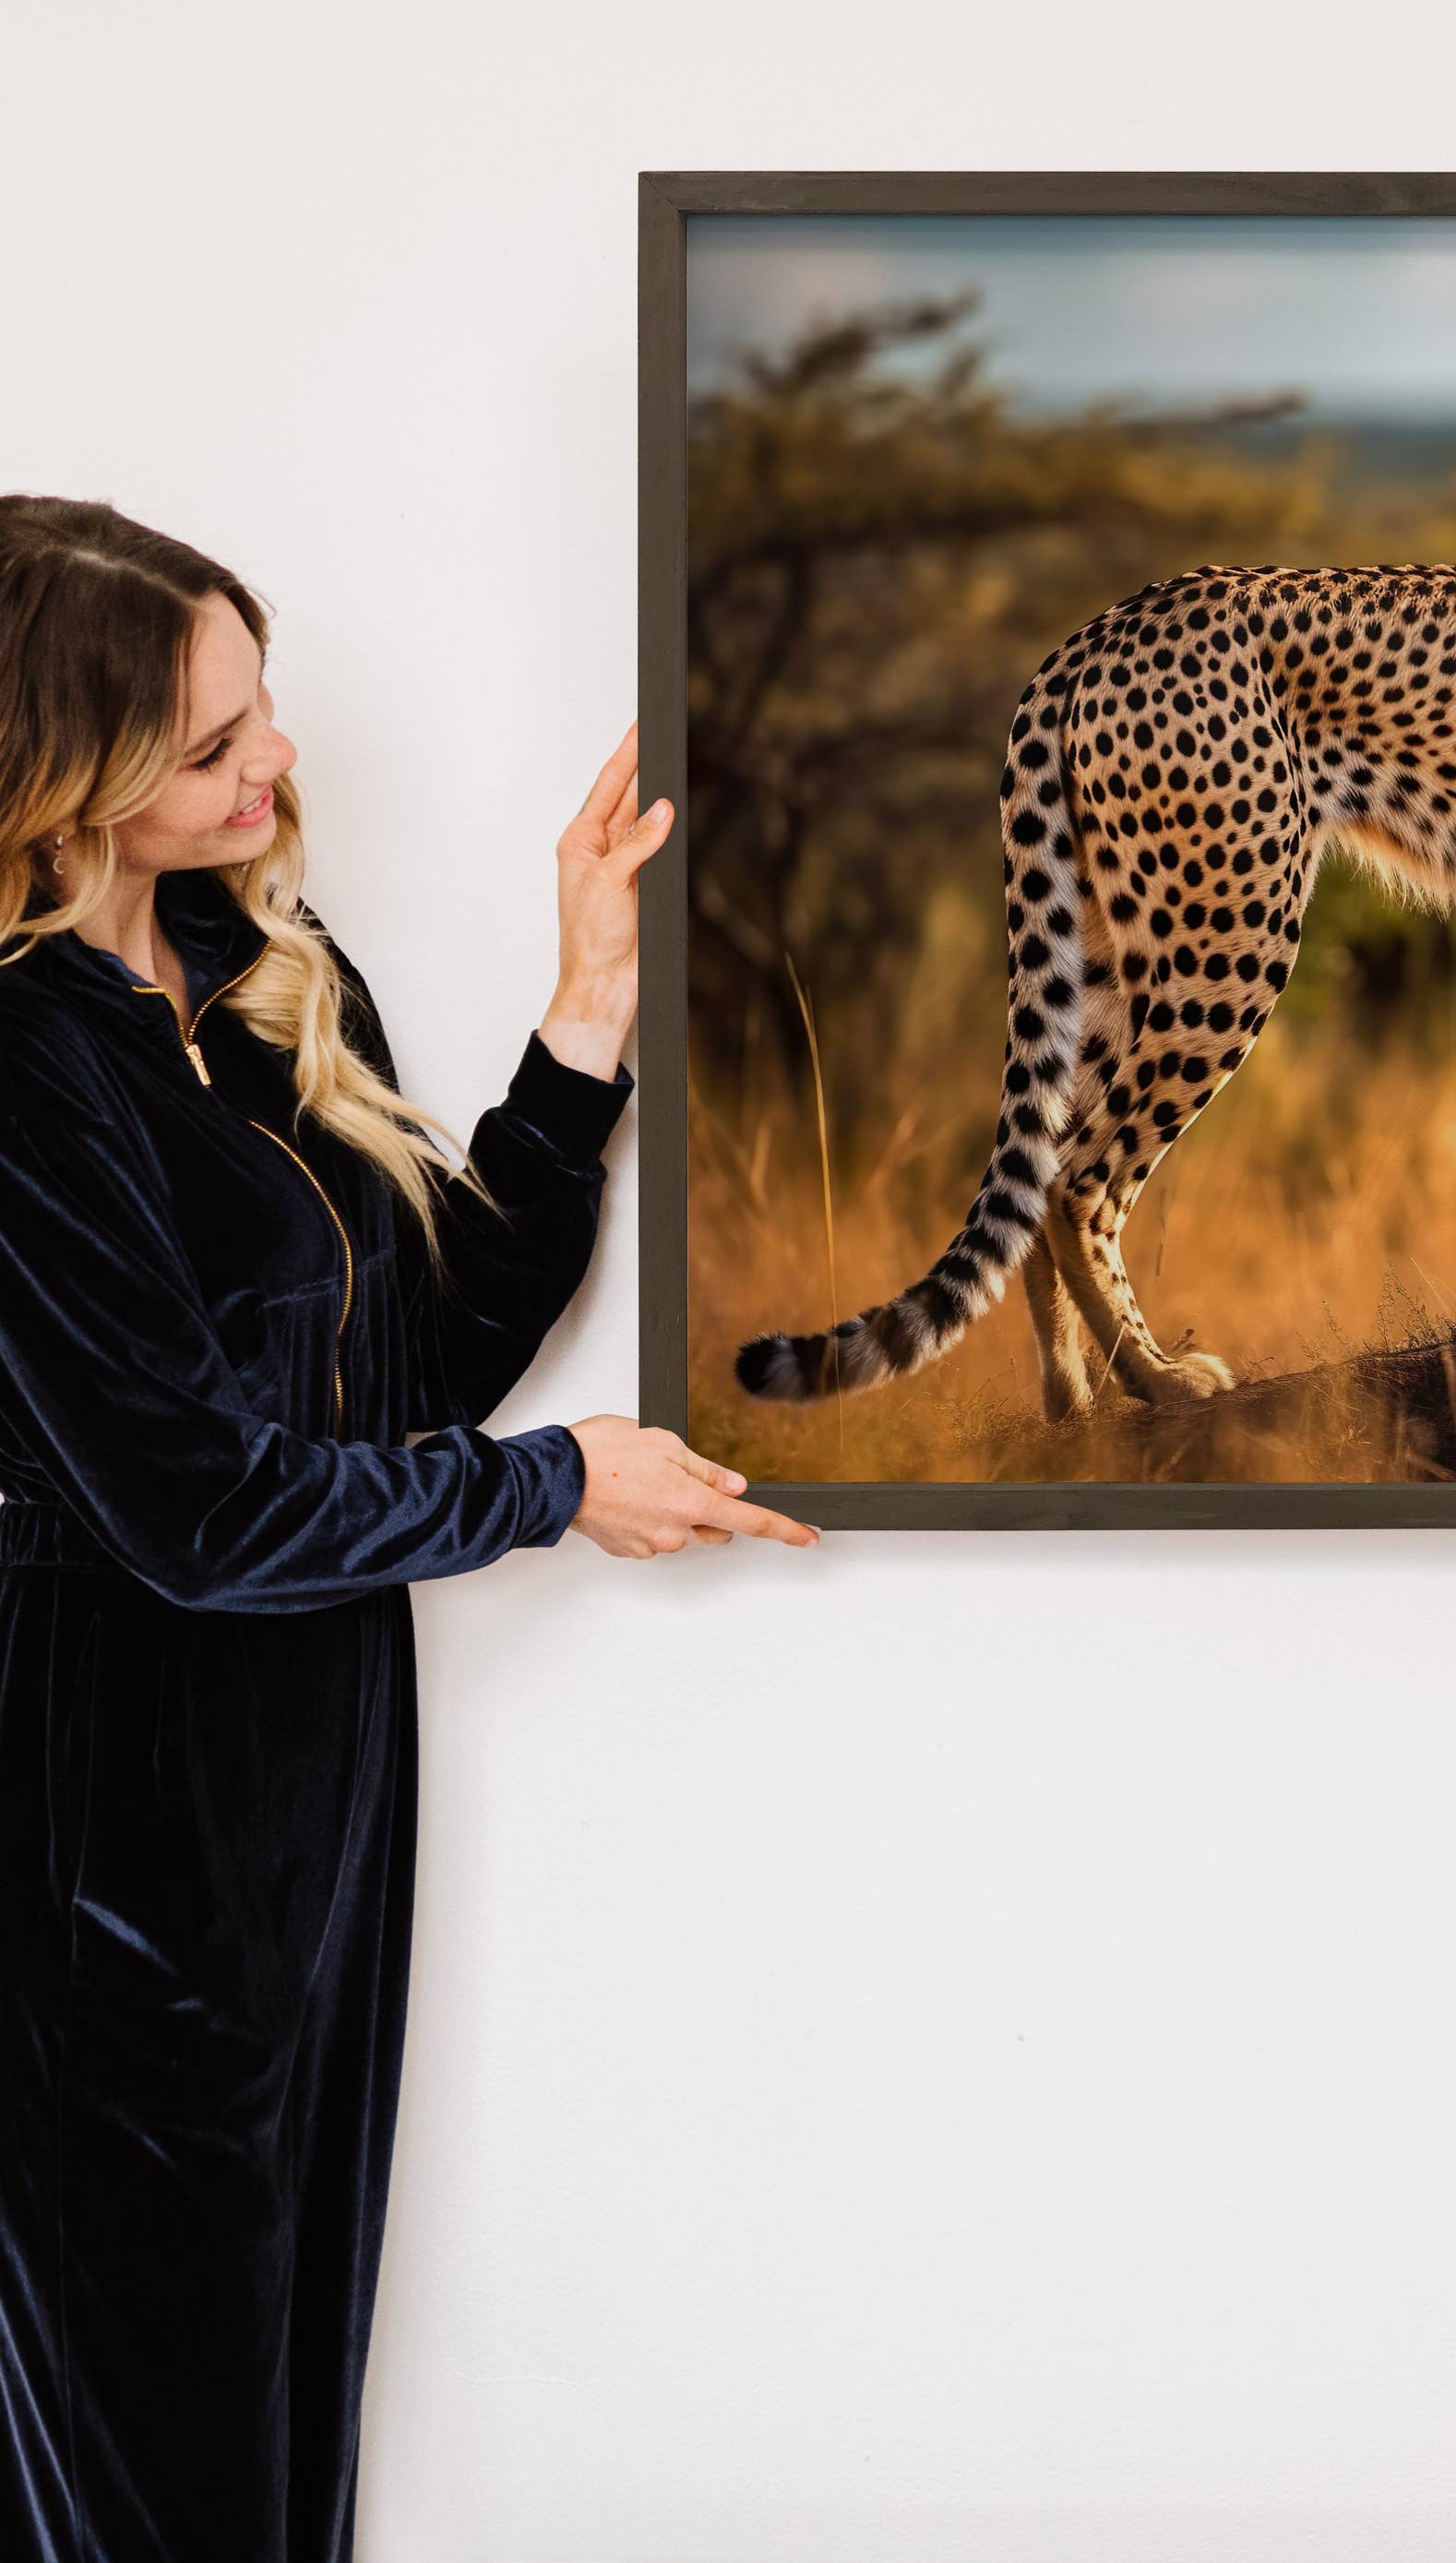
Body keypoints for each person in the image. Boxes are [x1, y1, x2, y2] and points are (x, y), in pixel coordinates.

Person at [0, 497, 818, 2563]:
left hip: (308, 1803)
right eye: (212, 746)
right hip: (96, 1832)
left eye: (261, 708)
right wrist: (559, 1489)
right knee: (149, 2470)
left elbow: (419, 1355)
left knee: (274, 2435)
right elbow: (193, 1511)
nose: (274, 766)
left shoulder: (256, 964)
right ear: (58, 776)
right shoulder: (19, 1068)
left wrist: (590, 1010)